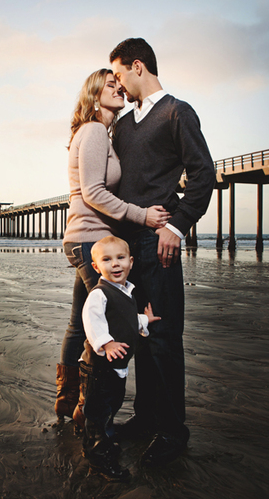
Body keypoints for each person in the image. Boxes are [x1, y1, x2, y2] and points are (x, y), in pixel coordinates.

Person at [109, 38, 216, 467]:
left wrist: (177, 224)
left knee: (164, 339)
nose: (116, 84)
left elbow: (204, 174)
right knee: (140, 333)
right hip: (127, 248)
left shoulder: (176, 112)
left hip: (159, 245)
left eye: (118, 75)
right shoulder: (121, 126)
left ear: (138, 66)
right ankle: (145, 417)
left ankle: (173, 433)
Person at [56, 69, 170, 431]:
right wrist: (142, 215)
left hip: (85, 237)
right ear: (93, 94)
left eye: (120, 85)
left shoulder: (100, 134)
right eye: (111, 85)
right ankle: (92, 415)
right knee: (108, 322)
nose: (119, 89)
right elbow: (92, 191)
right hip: (92, 239)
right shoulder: (92, 131)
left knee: (79, 324)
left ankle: (68, 399)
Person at [79, 236, 159, 481]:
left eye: (120, 258)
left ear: (131, 262)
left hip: (116, 369)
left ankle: (103, 440)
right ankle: (98, 459)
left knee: (110, 406)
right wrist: (106, 342)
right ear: (96, 267)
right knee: (98, 413)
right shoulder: (99, 294)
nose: (115, 264)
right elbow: (91, 321)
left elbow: (127, 321)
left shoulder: (126, 291)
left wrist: (145, 320)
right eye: (107, 259)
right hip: (98, 368)